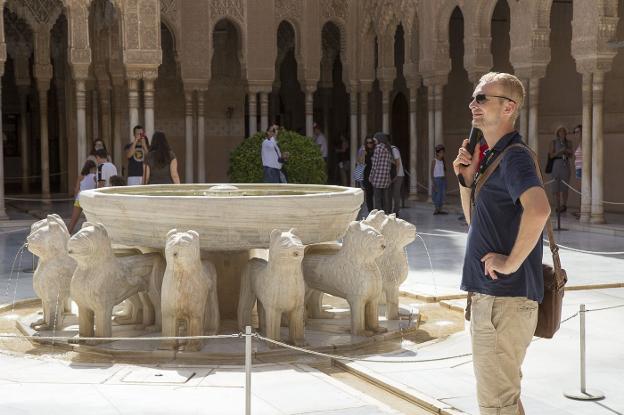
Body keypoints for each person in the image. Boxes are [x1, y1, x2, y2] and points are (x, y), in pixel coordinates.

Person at [453, 72, 550, 415]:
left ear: (508, 108)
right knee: (504, 401)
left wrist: (509, 262)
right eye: (473, 98)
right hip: (496, 301)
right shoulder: (494, 157)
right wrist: (467, 182)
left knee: (496, 406)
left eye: (482, 99)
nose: (473, 105)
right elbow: (473, 223)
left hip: (502, 302)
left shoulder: (514, 157)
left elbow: (538, 211)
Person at [548, 126, 573, 212]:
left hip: (565, 164)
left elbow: (571, 155)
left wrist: (566, 150)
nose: (562, 133)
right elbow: (551, 156)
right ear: (557, 133)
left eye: (564, 132)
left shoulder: (569, 142)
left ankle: (564, 205)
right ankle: (557, 205)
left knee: (565, 187)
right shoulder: (553, 142)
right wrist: (559, 151)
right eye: (560, 132)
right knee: (556, 187)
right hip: (556, 164)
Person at [68, 159, 97, 234]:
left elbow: (76, 190)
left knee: (73, 220)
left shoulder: (80, 176)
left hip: (79, 199)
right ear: (92, 168)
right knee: (90, 221)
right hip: (89, 199)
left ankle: (67, 235)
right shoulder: (95, 177)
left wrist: (76, 198)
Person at [369, 132, 393, 213]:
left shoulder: (378, 148)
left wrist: (371, 176)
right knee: (386, 198)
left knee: (377, 198)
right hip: (386, 177)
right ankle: (387, 213)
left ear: (379, 139)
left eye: (375, 139)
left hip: (378, 177)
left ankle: (378, 214)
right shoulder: (388, 148)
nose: (374, 141)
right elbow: (389, 164)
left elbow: (375, 164)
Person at [431, 144, 448, 215]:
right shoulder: (434, 161)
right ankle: (436, 209)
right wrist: (433, 182)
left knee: (442, 195)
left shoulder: (442, 161)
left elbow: (444, 171)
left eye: (443, 152)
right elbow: (431, 172)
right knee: (437, 195)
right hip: (436, 179)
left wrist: (445, 179)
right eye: (440, 152)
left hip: (442, 179)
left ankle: (440, 209)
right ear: (437, 153)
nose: (442, 154)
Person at [361, 136, 375, 213]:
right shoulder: (363, 152)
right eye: (368, 143)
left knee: (375, 193)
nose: (369, 144)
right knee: (369, 194)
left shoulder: (375, 151)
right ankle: (370, 210)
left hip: (375, 175)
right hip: (366, 175)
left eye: (371, 142)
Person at [390, 141, 404, 217]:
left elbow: (397, 163)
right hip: (392, 175)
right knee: (391, 193)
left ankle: (396, 211)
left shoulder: (393, 149)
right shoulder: (388, 149)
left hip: (398, 174)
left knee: (396, 194)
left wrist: (396, 176)